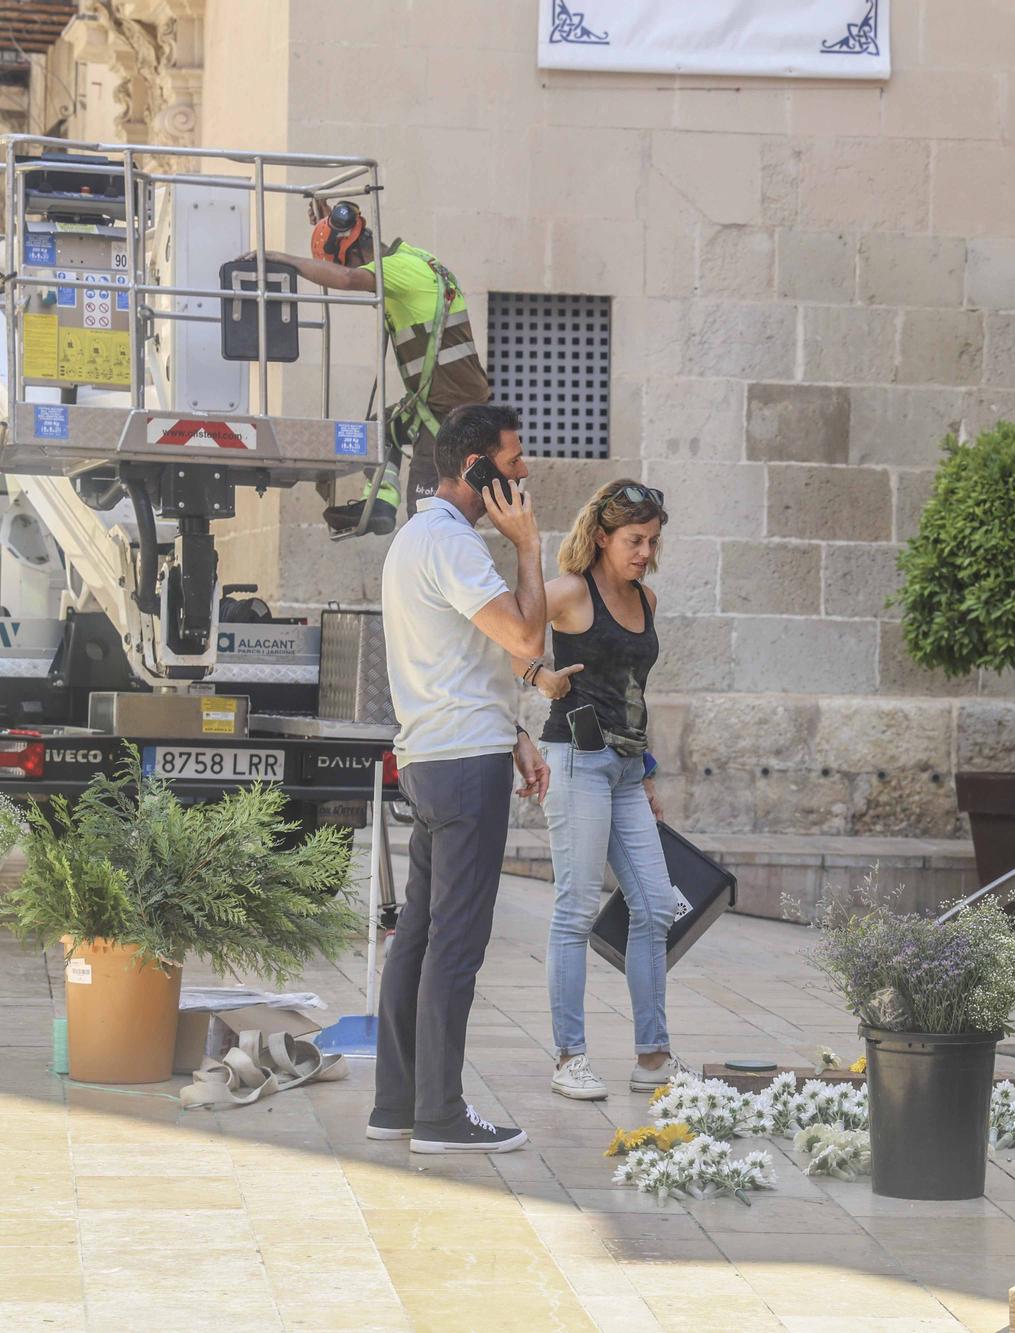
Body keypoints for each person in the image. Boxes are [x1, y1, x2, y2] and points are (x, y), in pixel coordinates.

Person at [367, 403, 547, 1155]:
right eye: (512, 464)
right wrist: (530, 549)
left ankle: (397, 1104)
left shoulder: (416, 538)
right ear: (474, 467)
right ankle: (440, 1114)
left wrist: (513, 731)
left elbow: (464, 661)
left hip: (433, 754)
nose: (524, 475)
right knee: (455, 943)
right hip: (462, 768)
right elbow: (526, 638)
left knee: (417, 933)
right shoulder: (456, 545)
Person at [519, 480, 690, 1102]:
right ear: (602, 537)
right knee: (575, 906)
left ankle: (654, 1056)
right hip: (575, 758)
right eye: (634, 540)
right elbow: (504, 631)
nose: (645, 551)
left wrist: (646, 775)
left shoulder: (646, 599)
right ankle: (570, 1057)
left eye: (652, 541)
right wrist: (540, 675)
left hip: (622, 770)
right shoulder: (570, 592)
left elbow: (634, 695)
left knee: (654, 907)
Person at [255, 204, 490, 534]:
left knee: (429, 515)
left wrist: (285, 260)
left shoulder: (397, 269)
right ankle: (380, 501)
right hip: (447, 404)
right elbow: (349, 259)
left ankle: (440, 576)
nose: (350, 269)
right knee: (377, 432)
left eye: (342, 261)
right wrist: (331, 227)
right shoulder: (414, 258)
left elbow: (350, 277)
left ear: (352, 252)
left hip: (452, 413)